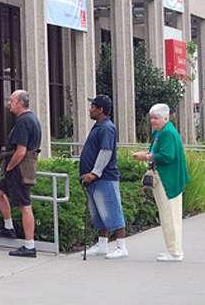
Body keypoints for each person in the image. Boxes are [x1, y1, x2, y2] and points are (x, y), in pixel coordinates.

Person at [132, 103, 189, 262]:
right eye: (151, 118)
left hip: (168, 180)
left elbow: (167, 156)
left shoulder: (167, 133)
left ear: (166, 117)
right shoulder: (161, 132)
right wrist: (148, 154)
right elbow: (159, 152)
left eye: (155, 118)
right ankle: (173, 250)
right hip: (166, 178)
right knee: (169, 215)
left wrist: (146, 156)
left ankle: (175, 252)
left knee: (169, 215)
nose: (152, 121)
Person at [0, 90, 42, 258]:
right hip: (21, 168)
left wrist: (9, 167)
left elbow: (20, 151)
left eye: (12, 100)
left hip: (19, 169)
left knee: (24, 205)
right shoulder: (31, 119)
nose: (8, 103)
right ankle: (8, 228)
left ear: (21, 103)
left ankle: (29, 246)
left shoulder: (24, 122)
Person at [80, 95, 128, 259]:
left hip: (104, 178)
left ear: (100, 110)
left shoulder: (107, 127)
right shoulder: (98, 126)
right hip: (95, 179)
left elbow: (105, 152)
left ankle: (122, 247)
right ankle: (102, 245)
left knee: (112, 210)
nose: (90, 109)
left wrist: (94, 173)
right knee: (99, 213)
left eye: (93, 106)